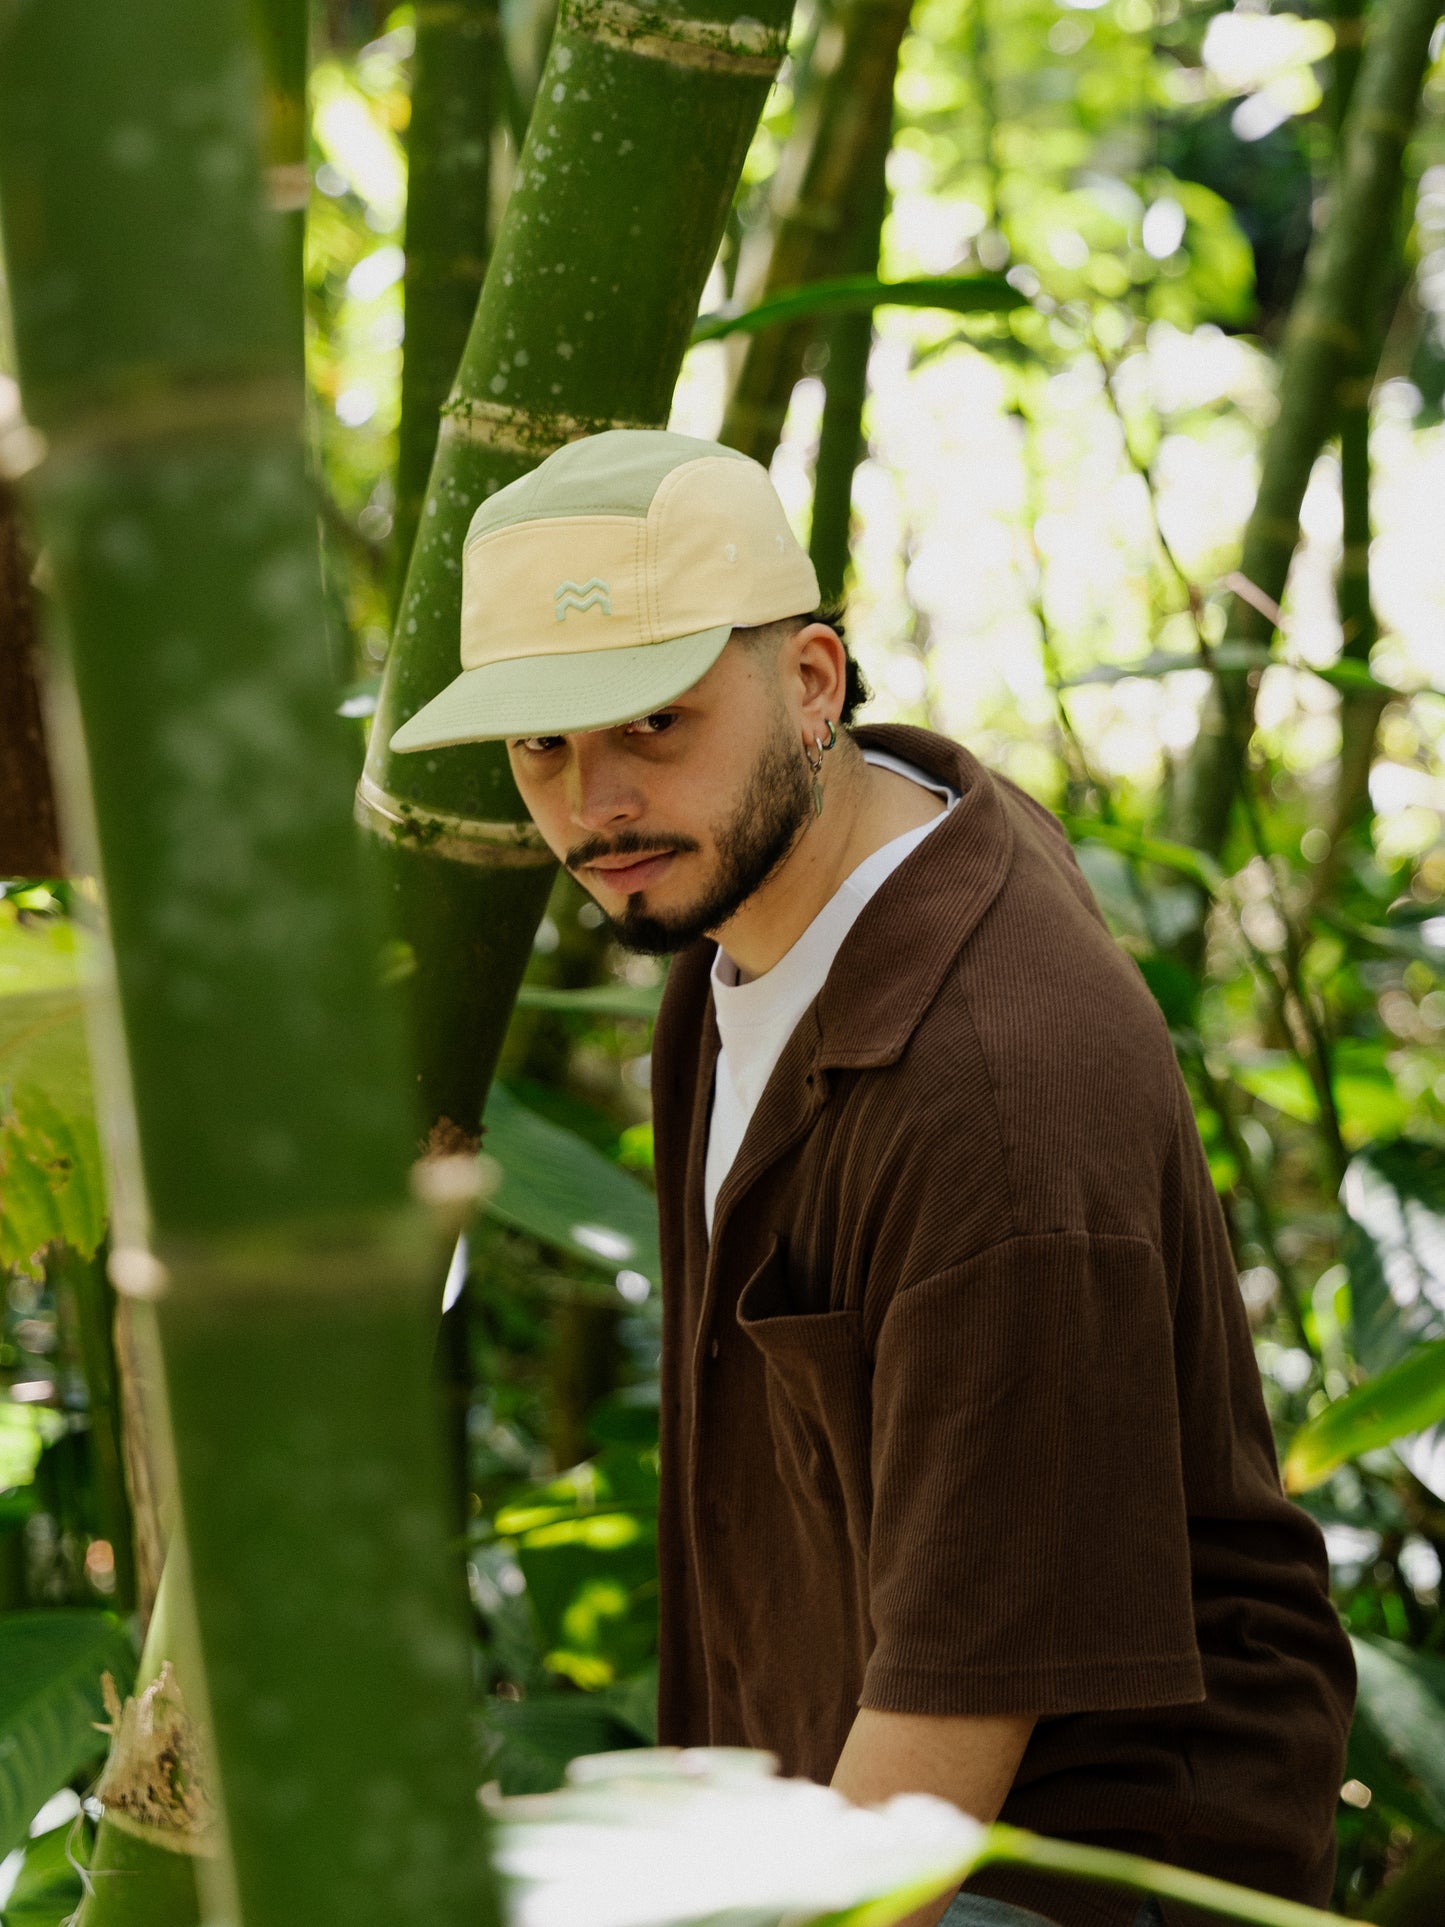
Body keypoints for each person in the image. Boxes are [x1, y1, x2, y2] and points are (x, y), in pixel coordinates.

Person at [390, 429, 1356, 1927]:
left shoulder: (994, 1096)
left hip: (1062, 1865)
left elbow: (951, 1741)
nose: (594, 806)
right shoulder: (770, 891)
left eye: (651, 721)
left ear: (812, 683)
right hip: (847, 1787)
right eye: (541, 747)